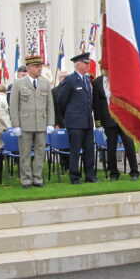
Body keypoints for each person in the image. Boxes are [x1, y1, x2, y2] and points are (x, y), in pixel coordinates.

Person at [10, 55, 55, 188]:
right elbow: (13, 106)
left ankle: (38, 178)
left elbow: (50, 104)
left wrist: (50, 122)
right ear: (29, 68)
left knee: (40, 152)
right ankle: (26, 179)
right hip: (25, 124)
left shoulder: (45, 83)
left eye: (40, 66)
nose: (40, 69)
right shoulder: (19, 83)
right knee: (25, 153)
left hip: (41, 123)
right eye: (37, 66)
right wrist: (15, 125)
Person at [92, 69, 140, 181]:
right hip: (108, 119)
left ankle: (134, 172)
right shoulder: (97, 82)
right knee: (111, 147)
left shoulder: (120, 78)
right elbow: (96, 104)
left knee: (129, 145)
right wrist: (98, 123)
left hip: (124, 118)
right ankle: (113, 173)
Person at [57, 52, 96, 184]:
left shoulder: (87, 80)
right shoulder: (70, 80)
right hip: (75, 122)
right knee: (75, 151)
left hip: (87, 122)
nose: (88, 65)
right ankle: (75, 176)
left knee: (89, 151)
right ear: (78, 64)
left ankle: (90, 176)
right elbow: (61, 101)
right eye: (86, 63)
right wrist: (68, 117)